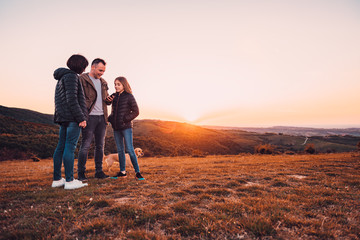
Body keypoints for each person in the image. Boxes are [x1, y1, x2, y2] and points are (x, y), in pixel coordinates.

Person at [52, 54, 89, 190]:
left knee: (60, 147)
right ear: (80, 65)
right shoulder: (72, 77)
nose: (85, 69)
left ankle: (57, 179)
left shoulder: (62, 77)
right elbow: (72, 99)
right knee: (70, 147)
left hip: (63, 117)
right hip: (73, 118)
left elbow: (61, 100)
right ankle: (69, 180)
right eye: (84, 66)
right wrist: (81, 118)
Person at [77, 58, 110, 180]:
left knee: (100, 146)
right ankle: (81, 173)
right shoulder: (81, 79)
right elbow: (78, 99)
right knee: (85, 145)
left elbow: (105, 100)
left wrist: (108, 101)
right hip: (89, 117)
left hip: (102, 117)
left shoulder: (104, 82)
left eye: (103, 71)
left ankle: (99, 172)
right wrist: (81, 116)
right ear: (93, 67)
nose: (102, 73)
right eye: (100, 70)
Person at [106, 77, 145, 180]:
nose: (116, 86)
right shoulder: (114, 96)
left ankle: (137, 173)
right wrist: (109, 119)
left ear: (124, 85)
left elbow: (136, 111)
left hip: (126, 127)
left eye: (118, 84)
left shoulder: (129, 96)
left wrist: (124, 119)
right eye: (115, 84)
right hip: (116, 127)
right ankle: (122, 172)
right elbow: (113, 111)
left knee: (130, 149)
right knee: (120, 150)